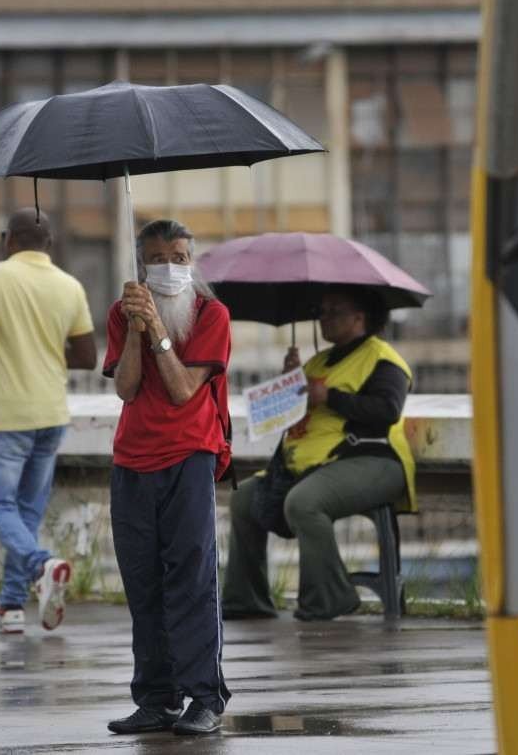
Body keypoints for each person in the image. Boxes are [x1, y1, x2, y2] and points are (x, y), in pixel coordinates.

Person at [103, 219, 233, 737]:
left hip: (191, 454)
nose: (171, 268)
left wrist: (157, 330)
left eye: (180, 258)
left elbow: (182, 390)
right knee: (143, 581)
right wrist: (136, 328)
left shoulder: (211, 314)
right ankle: (156, 696)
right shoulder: (120, 314)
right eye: (159, 259)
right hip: (133, 459)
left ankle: (205, 695)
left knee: (192, 579)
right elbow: (127, 389)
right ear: (140, 267)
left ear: (192, 262)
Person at [222, 286, 416, 622]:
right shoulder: (317, 362)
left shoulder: (382, 358)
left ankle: (328, 598)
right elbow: (286, 417)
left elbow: (387, 409)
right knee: (244, 501)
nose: (324, 318)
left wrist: (330, 396)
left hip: (371, 461)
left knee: (304, 502)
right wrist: (288, 385)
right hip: (307, 464)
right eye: (322, 311)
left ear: (360, 317)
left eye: (334, 311)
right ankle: (246, 599)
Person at [0, 208, 97, 634]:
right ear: (49, 244)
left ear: (7, 239)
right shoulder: (69, 286)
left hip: (5, 415)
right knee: (26, 514)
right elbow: (87, 357)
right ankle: (12, 607)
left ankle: (41, 565)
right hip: (51, 414)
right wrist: (47, 353)